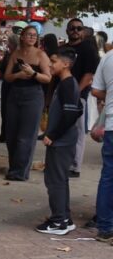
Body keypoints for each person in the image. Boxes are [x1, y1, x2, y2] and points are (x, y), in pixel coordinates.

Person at [35, 47, 82, 235]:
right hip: (62, 140)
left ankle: (58, 221)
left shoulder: (68, 84)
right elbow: (77, 110)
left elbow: (71, 114)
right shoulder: (65, 84)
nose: (50, 65)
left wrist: (52, 135)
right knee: (59, 179)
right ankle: (64, 217)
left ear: (66, 64)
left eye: (54, 62)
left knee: (55, 181)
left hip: (61, 142)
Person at [3, 25, 51, 181]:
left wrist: (33, 73)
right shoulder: (15, 54)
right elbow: (7, 76)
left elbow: (48, 78)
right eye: (29, 35)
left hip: (33, 96)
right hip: (15, 94)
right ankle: (13, 167)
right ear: (22, 37)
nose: (32, 37)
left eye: (34, 35)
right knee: (11, 134)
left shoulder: (41, 55)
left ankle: (20, 172)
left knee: (26, 136)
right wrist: (18, 75)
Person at [64, 18, 100, 178]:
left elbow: (89, 74)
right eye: (72, 28)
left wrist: (76, 92)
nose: (75, 31)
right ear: (67, 30)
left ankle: (75, 166)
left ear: (83, 31)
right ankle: (62, 162)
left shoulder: (88, 49)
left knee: (77, 131)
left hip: (79, 96)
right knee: (61, 130)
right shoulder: (63, 49)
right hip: (61, 94)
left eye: (79, 28)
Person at [90, 44, 113, 243]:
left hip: (112, 124)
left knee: (108, 176)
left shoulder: (107, 57)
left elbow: (96, 90)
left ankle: (105, 227)